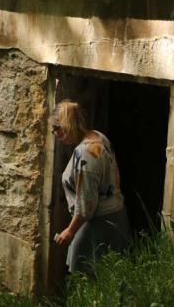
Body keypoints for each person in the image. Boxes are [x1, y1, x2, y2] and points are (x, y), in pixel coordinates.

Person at [51, 100, 131, 273]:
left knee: (90, 279)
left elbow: (86, 204)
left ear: (65, 127)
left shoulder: (84, 154)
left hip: (97, 223)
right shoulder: (98, 136)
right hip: (116, 216)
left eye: (56, 129)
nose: (55, 134)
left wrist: (70, 231)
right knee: (111, 278)